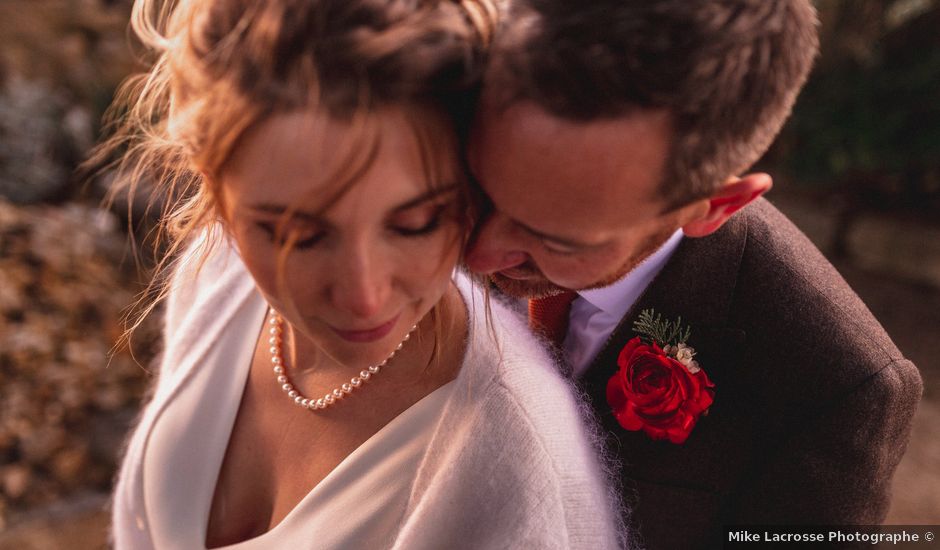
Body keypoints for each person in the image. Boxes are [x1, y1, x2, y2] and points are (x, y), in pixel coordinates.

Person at [100, 0, 625, 548]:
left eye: (416, 224)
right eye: (296, 237)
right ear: (214, 185)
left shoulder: (511, 466)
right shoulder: (219, 270)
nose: (362, 297)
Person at [464, 0, 923, 548]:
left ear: (715, 207)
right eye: (478, 190)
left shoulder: (832, 388)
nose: (478, 257)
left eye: (558, 239)